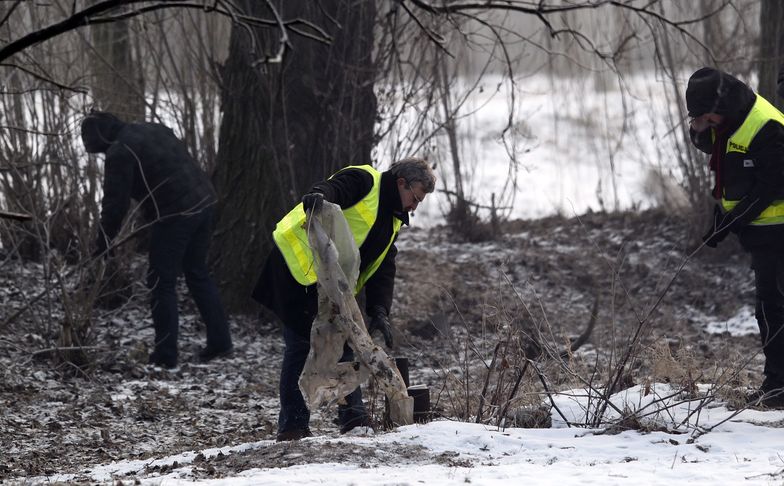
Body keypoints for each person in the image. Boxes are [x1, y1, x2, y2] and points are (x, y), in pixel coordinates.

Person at [252, 158, 436, 441]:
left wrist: (379, 311)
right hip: (295, 270)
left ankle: (354, 420)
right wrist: (318, 196)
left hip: (329, 286)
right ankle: (293, 427)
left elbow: (383, 268)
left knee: (347, 344)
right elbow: (334, 188)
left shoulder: (392, 220)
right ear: (402, 183)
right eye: (415, 198)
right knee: (300, 346)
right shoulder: (366, 180)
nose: (414, 206)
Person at [81, 111, 232, 369]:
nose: (103, 156)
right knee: (197, 272)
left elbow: (114, 206)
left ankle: (165, 355)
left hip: (176, 214)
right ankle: (220, 342)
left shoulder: (120, 152)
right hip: (206, 201)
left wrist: (102, 243)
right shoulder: (152, 127)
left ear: (102, 140)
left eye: (99, 151)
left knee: (160, 282)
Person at [686, 67, 784, 408]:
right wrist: (698, 130)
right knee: (770, 309)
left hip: (778, 229)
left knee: (774, 309)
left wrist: (732, 221)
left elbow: (771, 186)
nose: (702, 122)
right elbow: (715, 148)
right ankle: (778, 386)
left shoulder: (766, 126)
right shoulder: (724, 121)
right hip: (763, 232)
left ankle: (778, 388)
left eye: (703, 116)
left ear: (719, 106)